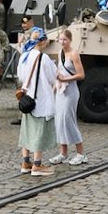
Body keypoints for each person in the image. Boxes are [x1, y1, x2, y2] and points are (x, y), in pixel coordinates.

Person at [16, 28, 59, 175]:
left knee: (27, 131)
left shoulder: (24, 57)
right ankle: (37, 165)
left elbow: (20, 76)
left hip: (26, 100)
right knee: (39, 132)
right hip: (40, 100)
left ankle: (25, 162)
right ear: (41, 41)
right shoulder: (43, 58)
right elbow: (53, 76)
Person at [48, 28, 88, 166]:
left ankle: (81, 153)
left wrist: (66, 80)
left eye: (65, 39)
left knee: (69, 120)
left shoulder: (74, 54)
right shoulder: (60, 53)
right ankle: (63, 152)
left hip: (71, 91)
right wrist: (54, 87)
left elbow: (81, 75)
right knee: (59, 121)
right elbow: (59, 71)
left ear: (70, 40)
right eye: (60, 39)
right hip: (60, 91)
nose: (62, 42)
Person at [11, 15, 37, 127]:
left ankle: (24, 114)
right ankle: (22, 114)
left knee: (27, 90)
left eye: (26, 23)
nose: (24, 25)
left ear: (31, 22)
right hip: (23, 65)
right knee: (22, 90)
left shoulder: (35, 32)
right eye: (23, 23)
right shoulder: (24, 34)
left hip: (30, 66)